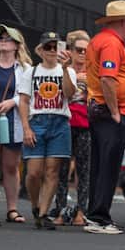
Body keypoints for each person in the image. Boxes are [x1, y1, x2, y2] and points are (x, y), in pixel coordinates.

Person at [84, 1, 125, 235]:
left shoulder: (101, 40)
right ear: (123, 22)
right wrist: (115, 112)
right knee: (108, 166)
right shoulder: (111, 43)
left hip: (106, 111)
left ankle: (96, 216)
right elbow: (108, 79)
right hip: (114, 113)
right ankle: (99, 218)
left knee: (101, 165)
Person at [21, 32, 75, 230]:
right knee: (34, 172)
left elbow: (69, 94)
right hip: (37, 121)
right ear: (41, 50)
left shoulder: (66, 70)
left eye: (55, 47)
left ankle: (43, 213)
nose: (52, 51)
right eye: (48, 47)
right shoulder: (31, 72)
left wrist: (67, 69)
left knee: (53, 171)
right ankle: (35, 205)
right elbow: (24, 101)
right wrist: (26, 128)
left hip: (59, 121)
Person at [0, 25, 32, 224]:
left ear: (17, 45)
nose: (3, 41)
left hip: (13, 120)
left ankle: (12, 209)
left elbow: (30, 95)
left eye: (7, 39)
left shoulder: (25, 69)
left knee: (11, 166)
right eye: (1, 38)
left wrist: (13, 101)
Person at [52, 29, 91, 225]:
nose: (83, 53)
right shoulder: (61, 69)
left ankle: (81, 211)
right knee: (62, 170)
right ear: (71, 50)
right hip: (64, 124)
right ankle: (59, 209)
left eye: (87, 50)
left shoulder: (95, 71)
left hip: (85, 125)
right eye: (79, 49)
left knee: (83, 170)